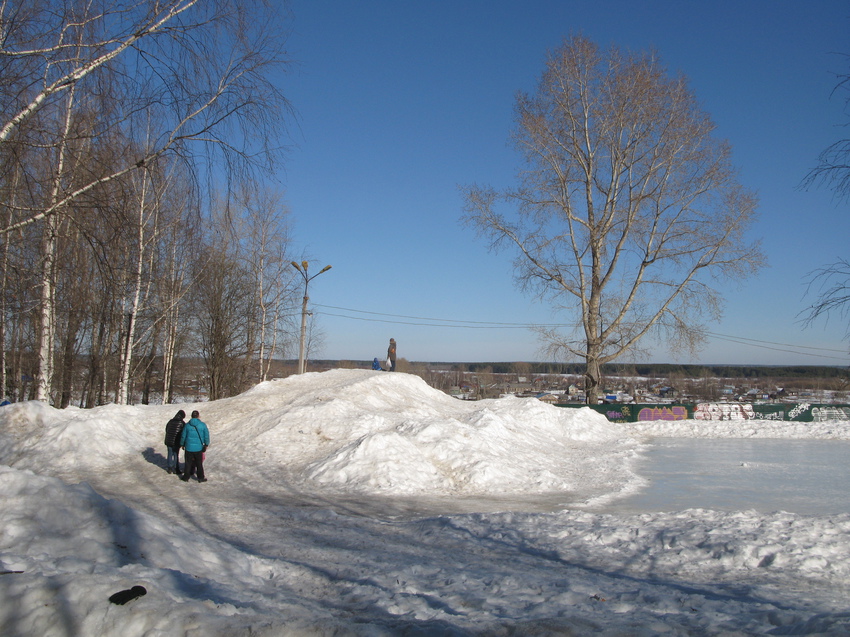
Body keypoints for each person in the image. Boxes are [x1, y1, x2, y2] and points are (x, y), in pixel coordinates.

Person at [180, 410, 210, 483]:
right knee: (199, 464)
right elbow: (206, 435)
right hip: (198, 448)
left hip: (188, 447)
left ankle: (186, 477)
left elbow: (183, 436)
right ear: (198, 416)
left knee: (188, 463)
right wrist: (206, 444)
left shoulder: (187, 425)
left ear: (191, 416)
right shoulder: (202, 425)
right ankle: (200, 477)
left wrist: (182, 444)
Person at [163, 410, 185, 475]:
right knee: (175, 454)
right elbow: (183, 432)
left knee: (169, 453)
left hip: (169, 440)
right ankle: (175, 468)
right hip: (176, 441)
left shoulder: (170, 421)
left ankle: (169, 467)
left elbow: (166, 429)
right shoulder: (182, 423)